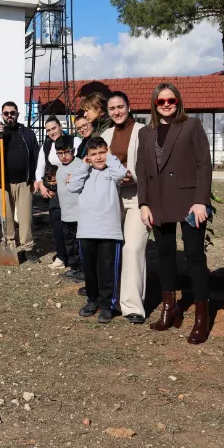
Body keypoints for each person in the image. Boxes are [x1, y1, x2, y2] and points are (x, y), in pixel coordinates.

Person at [136, 83, 213, 344]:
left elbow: (204, 164)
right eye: (161, 101)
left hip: (190, 202)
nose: (166, 104)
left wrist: (201, 201)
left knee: (194, 255)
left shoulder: (191, 125)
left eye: (171, 100)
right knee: (165, 254)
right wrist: (143, 204)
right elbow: (142, 169)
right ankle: (170, 308)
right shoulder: (145, 132)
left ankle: (202, 318)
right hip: (157, 201)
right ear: (154, 104)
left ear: (178, 102)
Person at [66, 136, 127, 324]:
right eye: (94, 154)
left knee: (107, 269)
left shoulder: (112, 171)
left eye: (102, 153)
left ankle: (107, 305)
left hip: (109, 230)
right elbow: (72, 186)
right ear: (88, 157)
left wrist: (111, 156)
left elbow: (122, 174)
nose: (99, 157)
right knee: (90, 269)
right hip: (87, 230)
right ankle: (92, 300)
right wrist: (84, 166)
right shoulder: (84, 172)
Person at [102, 91, 149, 325]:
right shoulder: (106, 134)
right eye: (112, 109)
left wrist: (134, 177)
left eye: (120, 107)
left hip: (138, 197)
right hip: (112, 197)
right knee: (111, 249)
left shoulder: (143, 131)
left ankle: (133, 306)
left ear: (129, 107)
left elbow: (151, 165)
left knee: (133, 248)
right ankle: (111, 301)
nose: (117, 112)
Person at [0, 101, 38, 259]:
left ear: (17, 114)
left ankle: (27, 248)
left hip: (24, 182)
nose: (9, 116)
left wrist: (34, 178)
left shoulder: (27, 133)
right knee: (6, 217)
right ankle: (9, 245)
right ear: (2, 115)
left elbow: (35, 155)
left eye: (12, 113)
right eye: (6, 113)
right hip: (3, 184)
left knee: (25, 218)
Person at [35, 115, 80, 267]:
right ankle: (61, 256)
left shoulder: (75, 141)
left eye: (53, 128)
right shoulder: (46, 146)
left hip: (73, 191)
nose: (51, 132)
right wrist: (41, 184)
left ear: (60, 126)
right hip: (55, 191)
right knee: (57, 223)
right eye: (48, 130)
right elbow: (39, 167)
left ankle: (76, 258)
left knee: (73, 225)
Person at [52, 135, 83, 279]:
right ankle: (74, 267)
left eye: (66, 152)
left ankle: (82, 269)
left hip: (79, 214)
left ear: (73, 150)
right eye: (60, 153)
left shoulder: (80, 165)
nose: (63, 156)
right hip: (65, 214)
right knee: (69, 242)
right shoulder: (59, 169)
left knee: (79, 244)